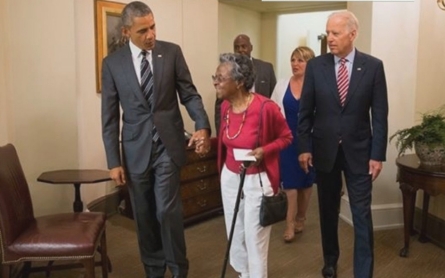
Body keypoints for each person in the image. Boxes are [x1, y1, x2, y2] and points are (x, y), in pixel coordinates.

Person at [101, 2, 211, 277]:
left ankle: (177, 269)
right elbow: (110, 117)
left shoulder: (171, 53)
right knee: (144, 215)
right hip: (136, 149)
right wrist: (113, 162)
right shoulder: (112, 64)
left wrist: (202, 124)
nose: (150, 34)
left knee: (167, 211)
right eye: (142, 30)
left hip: (167, 146)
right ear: (126, 32)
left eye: (153, 27)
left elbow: (189, 94)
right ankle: (153, 269)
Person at [297, 11, 388, 278]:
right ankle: (330, 261)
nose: (330, 38)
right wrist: (304, 147)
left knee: (361, 215)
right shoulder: (316, 66)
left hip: (360, 152)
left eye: (336, 33)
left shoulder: (373, 66)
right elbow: (305, 112)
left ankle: (363, 273)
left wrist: (377, 154)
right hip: (324, 151)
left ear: (353, 34)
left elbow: (379, 115)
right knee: (327, 211)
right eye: (328, 32)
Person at [215, 53, 292, 278]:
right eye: (215, 76)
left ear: (239, 82)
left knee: (254, 237)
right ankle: (243, 273)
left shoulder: (265, 107)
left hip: (256, 180)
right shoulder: (225, 107)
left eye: (220, 77)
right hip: (230, 176)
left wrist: (264, 150)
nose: (215, 82)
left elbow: (287, 137)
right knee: (235, 233)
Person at [270, 46, 316, 243]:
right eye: (293, 60)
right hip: (287, 140)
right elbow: (272, 110)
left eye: (301, 60)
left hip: (310, 140)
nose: (295, 64)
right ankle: (289, 223)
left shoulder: (316, 85)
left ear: (310, 64)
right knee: (289, 184)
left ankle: (301, 217)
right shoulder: (281, 85)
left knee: (306, 184)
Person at [214, 34, 277, 135]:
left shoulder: (266, 68)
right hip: (234, 122)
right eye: (237, 47)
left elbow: (274, 97)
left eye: (244, 46)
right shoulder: (227, 70)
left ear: (251, 48)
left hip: (261, 123)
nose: (240, 50)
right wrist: (220, 133)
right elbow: (219, 106)